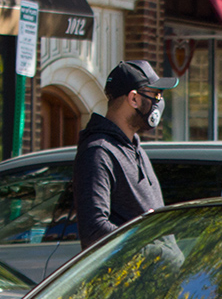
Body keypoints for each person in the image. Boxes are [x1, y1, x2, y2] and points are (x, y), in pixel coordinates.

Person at [75, 60, 178, 249]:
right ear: (134, 99)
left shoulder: (135, 148)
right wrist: (155, 251)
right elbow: (94, 230)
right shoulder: (98, 152)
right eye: (155, 94)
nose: (159, 102)